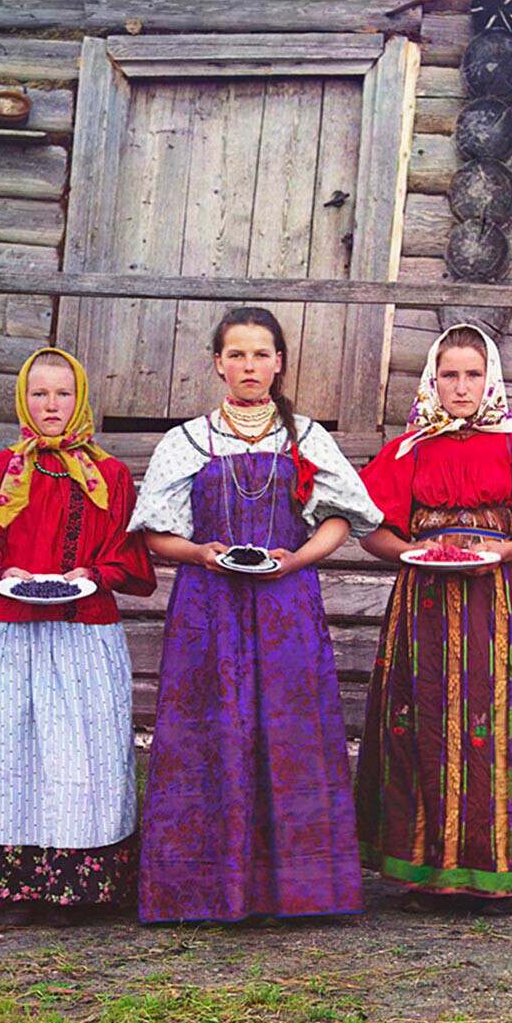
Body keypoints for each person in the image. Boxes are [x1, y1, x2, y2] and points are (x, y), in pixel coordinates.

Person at [129, 307, 383, 924]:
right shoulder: (186, 441)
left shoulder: (307, 439)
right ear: (218, 363)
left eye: (261, 354)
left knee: (289, 731)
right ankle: (202, 890)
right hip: (208, 609)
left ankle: (298, 892)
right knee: (209, 730)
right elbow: (157, 533)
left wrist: (295, 561)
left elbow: (340, 521)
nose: (249, 366)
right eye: (236, 354)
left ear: (279, 362)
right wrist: (200, 553)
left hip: (286, 607)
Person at [354, 323, 512, 908]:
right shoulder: (407, 450)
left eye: (473, 374)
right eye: (450, 375)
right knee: (425, 721)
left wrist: (504, 550)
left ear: (492, 380)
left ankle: (504, 866)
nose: (461, 387)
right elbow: (372, 532)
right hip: (425, 605)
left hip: (499, 605)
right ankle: (426, 871)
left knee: (502, 723)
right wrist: (414, 553)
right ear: (433, 379)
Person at [0, 347, 156, 927]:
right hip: (7, 634)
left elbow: (130, 558)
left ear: (79, 398)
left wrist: (94, 574)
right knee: (5, 753)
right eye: (39, 394)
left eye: (62, 393)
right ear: (23, 400)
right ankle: (7, 889)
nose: (51, 405)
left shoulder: (109, 475)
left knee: (79, 755)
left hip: (82, 635)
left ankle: (74, 888)